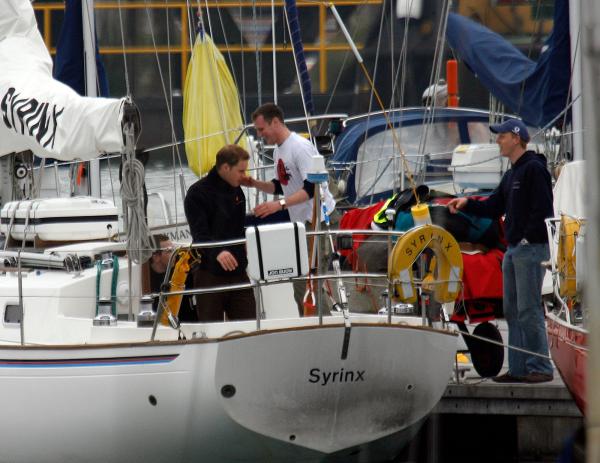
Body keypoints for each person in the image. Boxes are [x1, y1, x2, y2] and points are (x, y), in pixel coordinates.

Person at [447, 119, 554, 384]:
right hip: (514, 250)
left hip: (529, 249)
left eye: (502, 136)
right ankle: (518, 368)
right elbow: (494, 205)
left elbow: (543, 210)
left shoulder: (533, 169)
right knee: (512, 309)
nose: (497, 140)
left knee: (528, 309)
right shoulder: (512, 173)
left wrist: (528, 239)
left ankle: (540, 366)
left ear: (516, 138)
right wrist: (467, 203)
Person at [243, 103, 335, 314]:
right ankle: (316, 323)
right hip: (301, 225)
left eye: (261, 129)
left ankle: (321, 327)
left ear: (275, 122)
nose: (259, 135)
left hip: (318, 220)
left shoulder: (300, 147)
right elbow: (280, 184)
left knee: (308, 284)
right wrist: (254, 184)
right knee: (301, 284)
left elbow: (311, 188)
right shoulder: (278, 151)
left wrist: (279, 205)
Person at [184, 145, 256, 322]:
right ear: (225, 168)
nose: (244, 176)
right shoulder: (196, 194)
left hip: (238, 271)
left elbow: (239, 228)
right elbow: (200, 235)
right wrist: (218, 252)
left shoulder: (237, 191)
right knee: (211, 330)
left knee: (249, 326)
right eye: (240, 171)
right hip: (209, 273)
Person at [148, 234, 196, 321]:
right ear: (156, 257)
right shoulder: (145, 278)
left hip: (186, 323)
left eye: (174, 250)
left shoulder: (182, 269)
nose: (175, 254)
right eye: (170, 251)